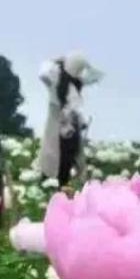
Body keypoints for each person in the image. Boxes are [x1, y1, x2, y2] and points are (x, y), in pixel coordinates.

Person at [39, 53, 102, 187]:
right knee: (54, 157)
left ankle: (62, 185)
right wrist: (54, 60)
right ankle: (51, 185)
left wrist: (88, 66)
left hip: (71, 125)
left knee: (67, 157)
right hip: (57, 123)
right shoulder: (55, 79)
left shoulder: (76, 82)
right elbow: (43, 74)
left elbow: (96, 77)